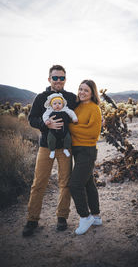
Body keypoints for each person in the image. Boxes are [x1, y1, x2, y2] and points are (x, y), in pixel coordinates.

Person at [22, 65, 77, 237]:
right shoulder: (41, 98)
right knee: (39, 182)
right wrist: (46, 125)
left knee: (65, 183)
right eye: (55, 78)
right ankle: (32, 219)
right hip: (46, 146)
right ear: (49, 79)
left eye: (61, 78)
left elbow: (83, 110)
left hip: (65, 148)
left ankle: (62, 217)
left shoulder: (70, 97)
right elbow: (32, 119)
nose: (58, 81)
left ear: (65, 79)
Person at [69, 79, 102, 235]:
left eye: (86, 90)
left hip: (87, 151)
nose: (82, 92)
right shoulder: (77, 107)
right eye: (80, 89)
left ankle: (85, 217)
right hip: (77, 150)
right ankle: (96, 216)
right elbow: (81, 128)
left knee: (75, 184)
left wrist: (70, 127)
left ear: (92, 93)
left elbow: (92, 133)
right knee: (88, 183)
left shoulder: (94, 109)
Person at [42, 92, 78, 159]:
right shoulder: (49, 110)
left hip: (64, 130)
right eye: (55, 104)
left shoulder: (65, 109)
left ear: (63, 104)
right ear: (51, 105)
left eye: (59, 103)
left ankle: (66, 149)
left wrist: (74, 118)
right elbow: (45, 115)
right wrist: (46, 121)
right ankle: (52, 151)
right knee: (50, 139)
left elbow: (71, 113)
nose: (57, 105)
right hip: (53, 131)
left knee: (68, 139)